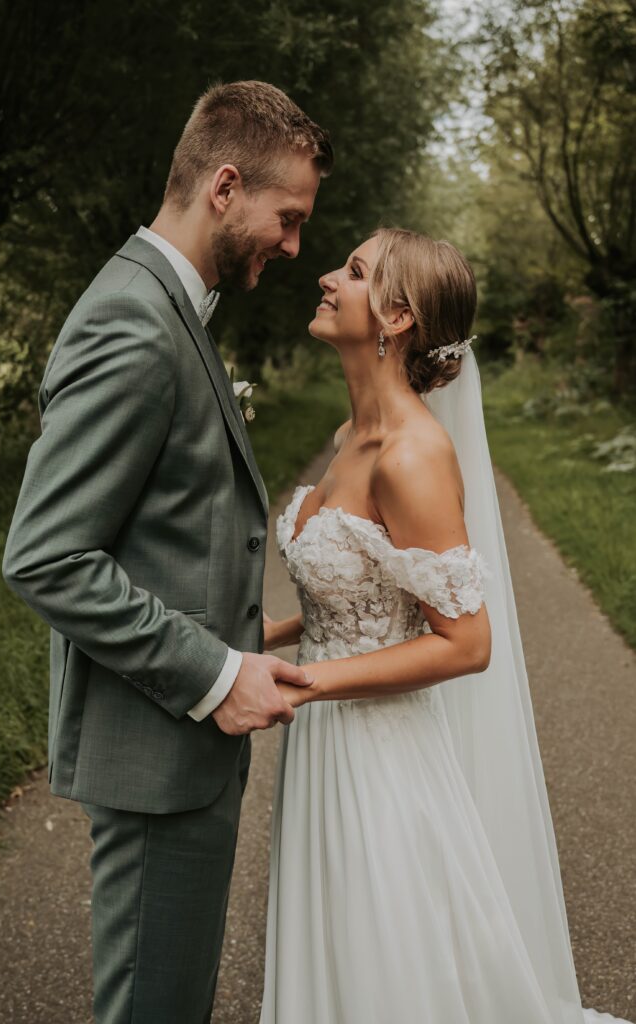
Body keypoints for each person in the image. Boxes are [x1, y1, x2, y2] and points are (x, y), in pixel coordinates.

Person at [2, 80, 332, 1024]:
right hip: (160, 746)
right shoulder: (134, 321)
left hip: (175, 750)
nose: (296, 246)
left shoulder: (168, 307)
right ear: (225, 186)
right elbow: (47, 554)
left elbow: (160, 530)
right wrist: (218, 672)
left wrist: (244, 634)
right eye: (290, 217)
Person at [260, 228, 631, 1023]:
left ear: (396, 317)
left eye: (352, 272)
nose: (327, 277)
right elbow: (365, 597)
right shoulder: (345, 438)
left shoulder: (413, 455)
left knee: (389, 956)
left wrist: (309, 680)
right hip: (324, 741)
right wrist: (274, 636)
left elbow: (467, 643)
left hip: (380, 754)